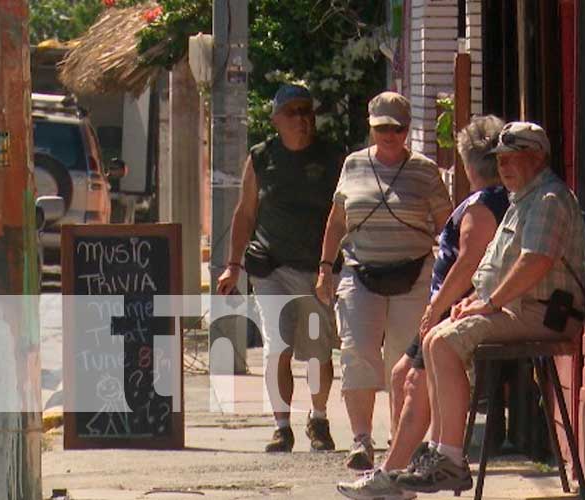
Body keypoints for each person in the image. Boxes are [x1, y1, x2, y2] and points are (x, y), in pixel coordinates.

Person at [391, 121, 585, 495]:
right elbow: (498, 266)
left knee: (446, 342)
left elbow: (535, 262)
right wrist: (474, 300)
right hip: (517, 308)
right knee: (437, 338)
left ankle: (449, 459)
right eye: (501, 160)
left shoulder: (548, 198)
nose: (506, 167)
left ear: (539, 158)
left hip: (544, 313)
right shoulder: (521, 199)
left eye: (516, 158)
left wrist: (489, 303)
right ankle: (441, 453)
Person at [336, 115, 509, 499]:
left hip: (456, 308)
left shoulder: (483, 206)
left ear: (468, 162)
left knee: (413, 381)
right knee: (401, 374)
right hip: (451, 304)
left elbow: (468, 264)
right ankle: (401, 472)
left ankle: (393, 476)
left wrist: (437, 308)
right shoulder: (491, 200)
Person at [316, 91, 452, 471]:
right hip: (361, 271)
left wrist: (450, 269)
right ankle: (361, 439)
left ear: (407, 130)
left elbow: (446, 224)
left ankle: (400, 440)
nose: (389, 134)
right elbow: (338, 220)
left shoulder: (425, 171)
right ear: (371, 127)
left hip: (414, 272)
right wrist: (326, 267)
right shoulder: (353, 165)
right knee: (357, 350)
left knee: (402, 359)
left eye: (397, 128)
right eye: (381, 128)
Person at [216, 84, 343, 453]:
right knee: (278, 347)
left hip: (318, 268)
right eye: (293, 112)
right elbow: (246, 213)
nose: (302, 119)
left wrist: (335, 263)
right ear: (276, 120)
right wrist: (232, 266)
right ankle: (281, 425)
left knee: (319, 351)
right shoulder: (261, 157)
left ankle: (318, 419)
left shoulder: (333, 157)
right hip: (270, 266)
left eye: (306, 110)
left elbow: (344, 212)